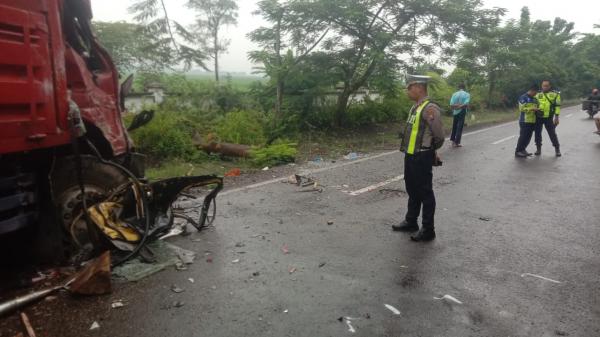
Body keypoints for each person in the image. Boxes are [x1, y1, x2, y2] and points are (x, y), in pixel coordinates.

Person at [393, 75, 445, 242]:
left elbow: (438, 135)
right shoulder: (415, 107)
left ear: (419, 88)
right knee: (412, 189)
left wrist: (431, 151)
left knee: (425, 192)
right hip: (411, 154)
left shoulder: (430, 108)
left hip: (422, 155)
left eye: (410, 87)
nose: (408, 90)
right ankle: (411, 221)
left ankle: (428, 229)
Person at [534, 80, 561, 157]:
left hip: (549, 117)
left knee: (552, 133)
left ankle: (557, 149)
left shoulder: (555, 94)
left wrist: (556, 117)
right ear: (541, 86)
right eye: (543, 85)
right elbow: (534, 103)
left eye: (546, 86)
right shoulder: (537, 94)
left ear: (549, 86)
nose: (544, 87)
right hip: (538, 117)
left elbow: (557, 106)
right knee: (537, 133)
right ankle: (538, 149)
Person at [515, 84, 540, 158]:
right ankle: (518, 151)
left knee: (528, 137)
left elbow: (538, 107)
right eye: (535, 92)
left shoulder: (535, 99)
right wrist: (531, 109)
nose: (536, 94)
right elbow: (521, 109)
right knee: (523, 136)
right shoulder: (523, 97)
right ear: (532, 90)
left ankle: (523, 150)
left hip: (532, 121)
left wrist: (538, 110)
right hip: (524, 121)